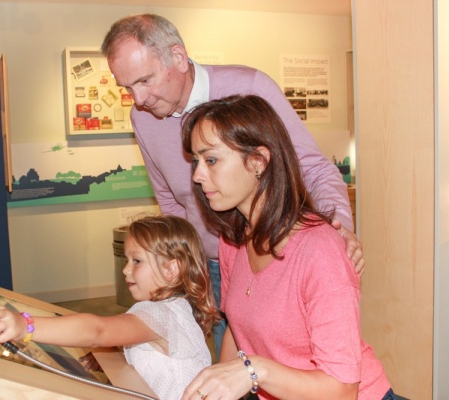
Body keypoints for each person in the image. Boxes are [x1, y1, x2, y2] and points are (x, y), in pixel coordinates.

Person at [101, 14, 364, 357]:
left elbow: (314, 167)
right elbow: (171, 202)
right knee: (228, 368)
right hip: (212, 264)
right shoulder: (143, 118)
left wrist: (339, 226)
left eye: (145, 80)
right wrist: (189, 269)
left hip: (274, 257)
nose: (138, 99)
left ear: (178, 58)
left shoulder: (250, 87)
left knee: (293, 360)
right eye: (127, 88)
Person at [180, 94, 394, 400]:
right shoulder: (234, 241)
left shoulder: (319, 251)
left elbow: (343, 390)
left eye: (211, 160)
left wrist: (255, 370)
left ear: (258, 161)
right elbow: (236, 329)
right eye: (196, 162)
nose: (198, 176)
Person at [0, 214, 221, 400]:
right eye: (127, 260)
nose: (125, 269)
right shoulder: (172, 308)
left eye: (137, 261)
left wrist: (24, 324)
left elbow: (97, 330)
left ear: (171, 269)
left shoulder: (162, 314)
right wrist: (107, 351)